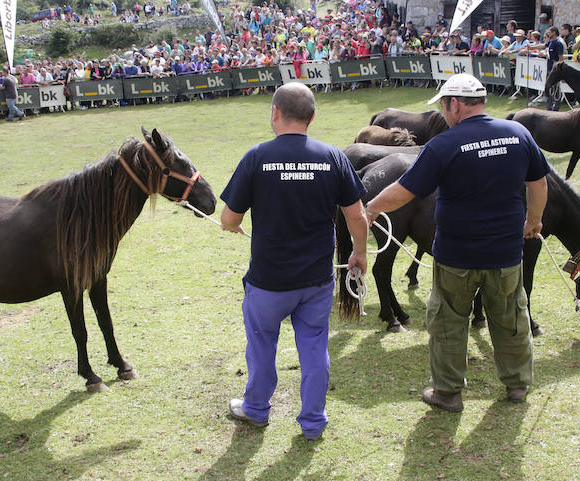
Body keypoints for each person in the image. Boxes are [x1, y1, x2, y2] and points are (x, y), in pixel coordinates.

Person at [364, 73, 549, 412]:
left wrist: (372, 207)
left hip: (456, 256)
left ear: (456, 104)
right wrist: (534, 220)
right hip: (506, 253)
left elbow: (405, 191)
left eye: (445, 106)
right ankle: (518, 385)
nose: (444, 113)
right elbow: (538, 184)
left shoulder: (443, 145)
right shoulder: (518, 133)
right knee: (511, 317)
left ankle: (448, 393)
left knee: (449, 322)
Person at [220, 82, 369, 440]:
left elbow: (229, 219)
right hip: (316, 281)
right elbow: (358, 218)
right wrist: (360, 252)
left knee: (261, 347)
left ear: (274, 113)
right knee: (315, 349)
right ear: (312, 117)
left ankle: (256, 410)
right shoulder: (333, 157)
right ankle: (314, 423)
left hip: (268, 281)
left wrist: (236, 225)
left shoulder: (256, 157)